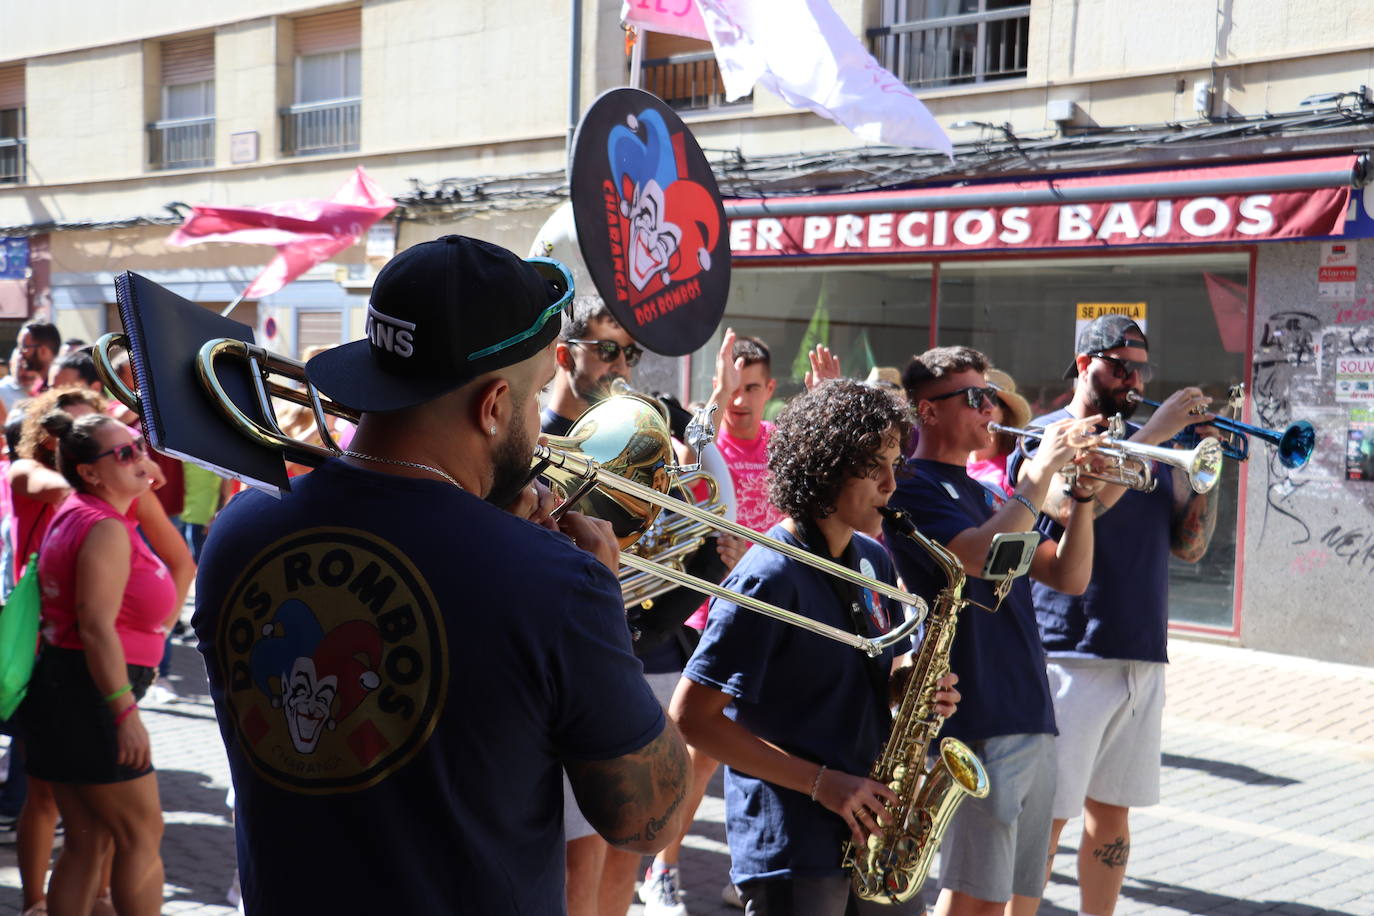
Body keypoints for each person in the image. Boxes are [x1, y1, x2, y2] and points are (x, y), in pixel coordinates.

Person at [193, 234, 688, 914]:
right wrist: (599, 605)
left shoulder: (238, 532)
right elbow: (650, 819)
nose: (544, 440)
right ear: (491, 407)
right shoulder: (556, 582)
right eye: (537, 393)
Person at [673, 379, 960, 915]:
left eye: (896, 463)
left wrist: (908, 689)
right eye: (875, 465)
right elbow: (691, 718)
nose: (892, 483)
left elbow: (856, 677)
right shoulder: (769, 574)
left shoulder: (874, 559)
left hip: (875, 832)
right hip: (794, 845)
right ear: (827, 466)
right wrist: (822, 784)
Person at [1008, 315, 1221, 916]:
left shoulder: (1158, 444)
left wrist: (1203, 471)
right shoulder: (1045, 436)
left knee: (1112, 813)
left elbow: (1191, 547)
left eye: (1141, 367)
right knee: (1047, 814)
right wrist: (1155, 431)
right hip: (1068, 650)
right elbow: (1070, 510)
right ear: (1083, 364)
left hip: (1141, 644)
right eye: (1119, 364)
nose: (1132, 377)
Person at [887, 346, 1101, 916]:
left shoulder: (989, 495)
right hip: (976, 712)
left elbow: (1069, 575)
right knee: (975, 898)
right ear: (927, 411)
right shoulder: (911, 488)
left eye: (990, 396)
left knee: (1020, 894)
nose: (989, 409)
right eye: (974, 397)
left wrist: (1081, 499)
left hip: (1031, 707)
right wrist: (1036, 478)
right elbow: (973, 557)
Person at [543, 296, 739, 916]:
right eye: (607, 349)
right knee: (577, 857)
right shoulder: (535, 444)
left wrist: (711, 561)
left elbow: (657, 598)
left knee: (625, 846)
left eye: (631, 351)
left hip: (638, 662)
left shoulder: (644, 440)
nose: (622, 365)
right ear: (563, 354)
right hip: (564, 678)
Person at [19, 411, 175, 916]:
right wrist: (124, 713)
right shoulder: (103, 527)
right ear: (89, 471)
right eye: (125, 452)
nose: (140, 458)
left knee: (89, 842)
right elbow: (95, 627)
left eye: (139, 446)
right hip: (90, 695)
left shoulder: (82, 510)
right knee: (140, 835)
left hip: (66, 690)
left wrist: (141, 466)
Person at [966, 368, 1032, 499]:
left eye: (991, 398)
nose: (983, 408)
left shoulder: (1013, 470)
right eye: (973, 398)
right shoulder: (950, 461)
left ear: (1004, 414)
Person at [16, 323, 61, 397]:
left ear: (43, 351)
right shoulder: (37, 386)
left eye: (24, 347)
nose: (20, 353)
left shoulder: (60, 387)